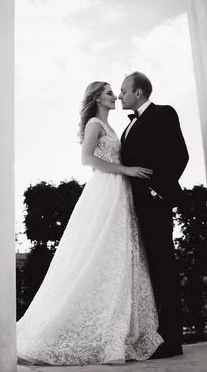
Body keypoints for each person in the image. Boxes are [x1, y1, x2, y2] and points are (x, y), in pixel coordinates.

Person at [16, 81, 163, 365]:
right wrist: (126, 170)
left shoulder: (111, 127)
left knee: (118, 255)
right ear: (97, 98)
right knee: (96, 252)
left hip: (120, 191)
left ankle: (118, 329)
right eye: (110, 93)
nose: (115, 96)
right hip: (105, 190)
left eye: (116, 92)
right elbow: (87, 159)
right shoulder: (96, 123)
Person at [119, 71, 189, 359]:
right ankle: (151, 334)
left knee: (163, 270)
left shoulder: (163, 113)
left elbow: (179, 154)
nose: (120, 95)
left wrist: (159, 191)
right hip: (132, 208)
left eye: (123, 90)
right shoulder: (127, 127)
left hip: (155, 204)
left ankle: (172, 341)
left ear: (138, 92)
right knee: (146, 272)